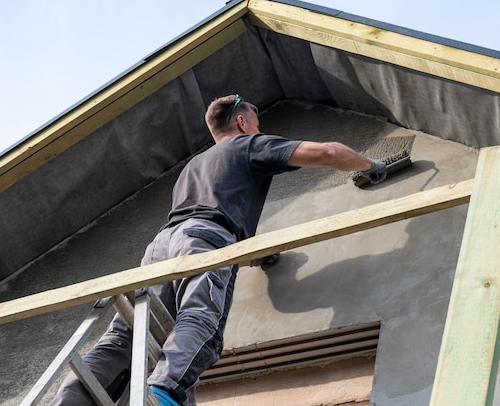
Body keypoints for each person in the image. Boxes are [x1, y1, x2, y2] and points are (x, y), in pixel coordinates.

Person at [50, 94, 387, 406]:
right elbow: (328, 152)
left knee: (126, 335)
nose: (259, 130)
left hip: (159, 249)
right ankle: (162, 393)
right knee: (199, 315)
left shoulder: (194, 167)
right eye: (255, 122)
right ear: (242, 122)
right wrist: (371, 167)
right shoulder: (247, 145)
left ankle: (69, 400)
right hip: (205, 238)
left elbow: (201, 226)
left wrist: (256, 255)